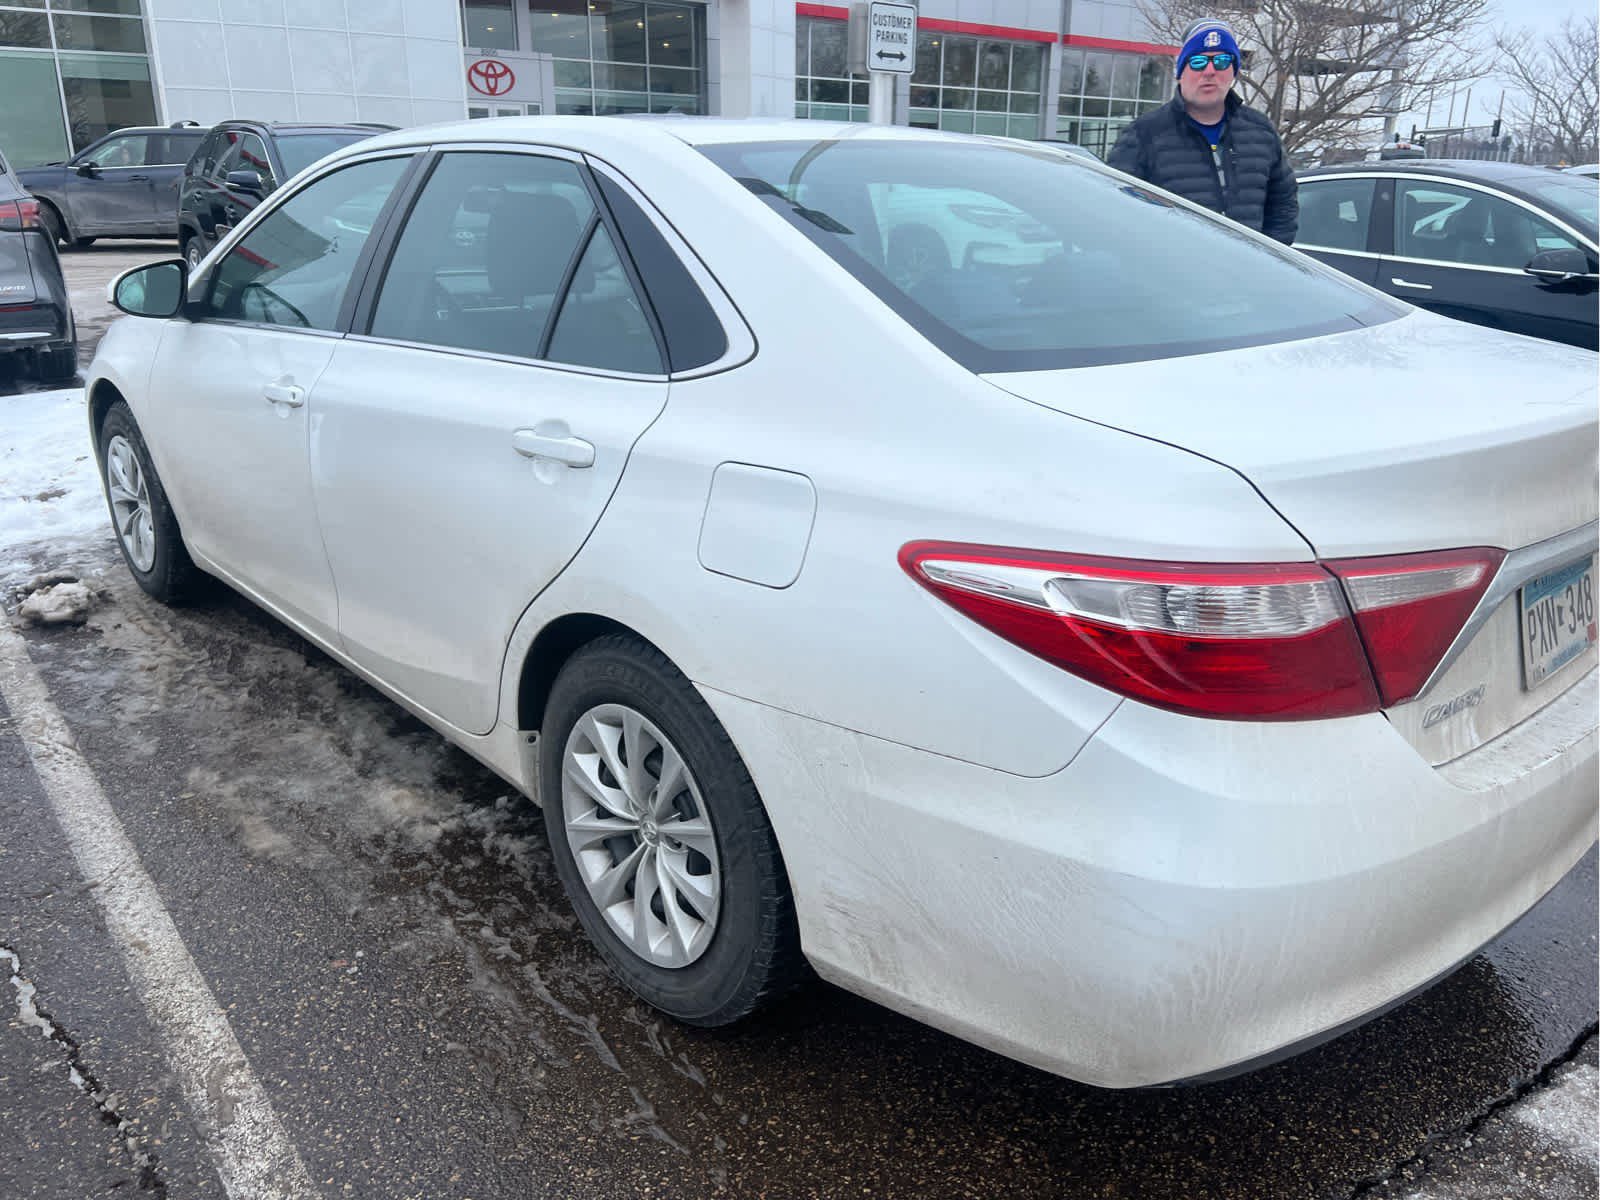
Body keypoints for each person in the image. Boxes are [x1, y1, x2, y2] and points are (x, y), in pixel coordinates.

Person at [1107, 18, 1298, 244]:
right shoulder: (1143, 134)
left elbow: (1283, 205)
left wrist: (1266, 260)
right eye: (1198, 62)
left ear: (1233, 71)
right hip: (1173, 273)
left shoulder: (1260, 131)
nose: (1209, 71)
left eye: (1221, 61)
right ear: (1181, 71)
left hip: (1246, 273)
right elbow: (1116, 212)